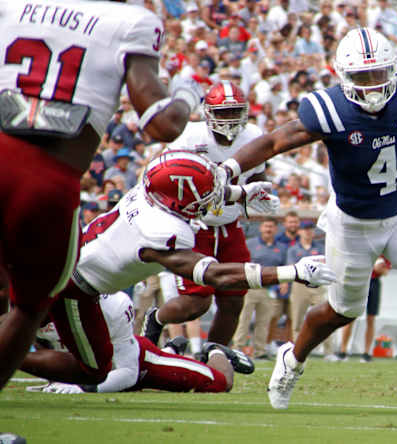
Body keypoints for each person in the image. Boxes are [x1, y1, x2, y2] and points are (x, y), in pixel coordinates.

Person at [222, 27, 397, 410]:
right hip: (351, 225)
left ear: (393, 70)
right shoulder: (330, 109)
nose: (371, 86)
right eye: (361, 77)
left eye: (378, 75)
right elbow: (275, 141)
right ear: (343, 76)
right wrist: (229, 169)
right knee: (342, 311)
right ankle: (293, 359)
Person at [0, 0, 202, 389]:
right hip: (46, 180)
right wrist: (187, 95)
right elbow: (162, 124)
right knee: (27, 308)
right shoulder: (130, 22)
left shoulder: (12, 8)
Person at [19, 151, 335, 385]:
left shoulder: (149, 191)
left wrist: (240, 195)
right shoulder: (162, 232)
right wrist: (291, 272)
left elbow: (189, 195)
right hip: (78, 287)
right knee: (94, 370)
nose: (212, 200)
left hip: (73, 264)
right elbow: (216, 275)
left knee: (21, 320)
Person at [142, 80, 270, 348]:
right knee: (197, 301)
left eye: (234, 111)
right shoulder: (190, 137)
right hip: (194, 226)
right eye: (223, 112)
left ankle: (216, 354)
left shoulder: (253, 135)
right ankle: (157, 319)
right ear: (209, 113)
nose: (229, 119)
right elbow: (165, 179)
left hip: (229, 226)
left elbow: (258, 175)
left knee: (234, 297)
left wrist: (260, 195)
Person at [33, 292, 249, 394]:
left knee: (219, 383)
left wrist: (83, 389)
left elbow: (128, 373)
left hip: (139, 362)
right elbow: (43, 348)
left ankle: (215, 351)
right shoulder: (28, 309)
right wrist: (56, 381)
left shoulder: (112, 307)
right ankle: (172, 347)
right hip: (102, 364)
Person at [232, 218, 289, 359]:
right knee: (243, 319)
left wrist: (284, 282)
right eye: (266, 226)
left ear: (276, 229)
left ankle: (260, 351)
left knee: (264, 322)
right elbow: (241, 263)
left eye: (271, 226)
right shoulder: (250, 244)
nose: (268, 229)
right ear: (261, 228)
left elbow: (284, 266)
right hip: (250, 287)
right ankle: (237, 348)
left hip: (269, 289)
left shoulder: (281, 247)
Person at [287, 221, 336, 360]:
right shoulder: (293, 249)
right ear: (300, 232)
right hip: (299, 286)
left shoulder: (320, 248)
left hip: (318, 286)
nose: (308, 232)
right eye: (305, 229)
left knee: (327, 318)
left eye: (310, 229)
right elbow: (291, 267)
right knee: (297, 319)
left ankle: (329, 352)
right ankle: (298, 353)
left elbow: (327, 264)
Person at [337, 257, 390, 363]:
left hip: (374, 282)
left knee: (371, 318)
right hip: (359, 281)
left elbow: (386, 271)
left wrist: (377, 268)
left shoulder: (382, 252)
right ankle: (343, 351)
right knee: (351, 315)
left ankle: (366, 353)